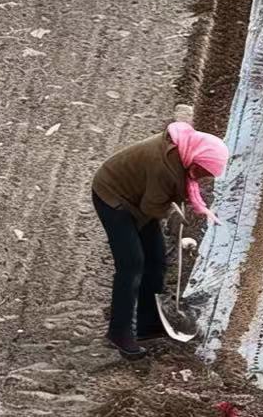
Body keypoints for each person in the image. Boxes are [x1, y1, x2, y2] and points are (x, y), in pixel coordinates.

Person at [91, 118, 229, 359]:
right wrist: (172, 214)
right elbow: (152, 207)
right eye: (203, 172)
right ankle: (119, 332)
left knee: (156, 261)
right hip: (113, 197)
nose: (202, 178)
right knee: (132, 265)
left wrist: (182, 205)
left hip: (138, 198)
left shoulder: (185, 152)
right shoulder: (164, 167)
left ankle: (148, 324)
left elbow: (181, 187)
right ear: (195, 160)